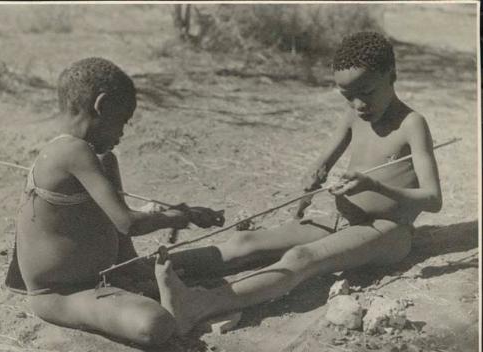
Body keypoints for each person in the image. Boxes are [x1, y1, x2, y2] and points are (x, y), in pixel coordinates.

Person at [155, 31, 443, 336]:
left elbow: (433, 199)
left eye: (367, 92)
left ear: (392, 76)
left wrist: (374, 185)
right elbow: (322, 164)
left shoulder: (412, 124)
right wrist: (313, 176)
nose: (358, 104)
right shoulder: (354, 116)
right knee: (246, 243)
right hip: (341, 219)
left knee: (301, 259)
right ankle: (149, 270)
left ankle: (199, 306)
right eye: (348, 96)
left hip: (386, 230)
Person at [5, 57, 223, 346]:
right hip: (60, 293)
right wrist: (176, 218)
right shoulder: (71, 151)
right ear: (102, 106)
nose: (122, 132)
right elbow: (127, 222)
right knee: (154, 323)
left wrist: (179, 215)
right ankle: (195, 304)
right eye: (122, 121)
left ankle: (140, 278)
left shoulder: (98, 158)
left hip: (106, 275)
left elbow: (118, 229)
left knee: (108, 159)